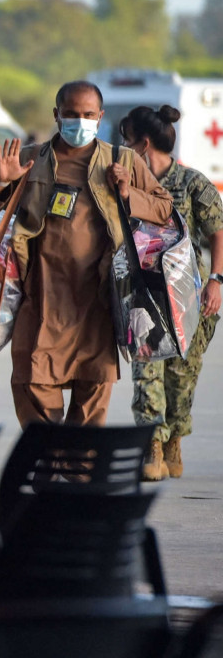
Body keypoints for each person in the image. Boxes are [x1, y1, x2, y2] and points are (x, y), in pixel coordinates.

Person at [0, 81, 173, 427]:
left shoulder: (122, 159)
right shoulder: (30, 158)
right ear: (56, 115)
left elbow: (164, 209)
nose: (80, 122)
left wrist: (127, 193)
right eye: (72, 114)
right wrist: (2, 185)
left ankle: (78, 473)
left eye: (88, 115)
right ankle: (48, 466)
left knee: (92, 393)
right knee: (31, 384)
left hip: (97, 303)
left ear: (100, 116)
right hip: (41, 298)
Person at [120, 105, 223, 480]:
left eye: (128, 141)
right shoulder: (125, 184)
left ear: (144, 145)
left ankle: (174, 435)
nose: (123, 148)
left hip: (189, 301)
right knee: (146, 373)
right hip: (144, 299)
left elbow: (218, 232)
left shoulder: (192, 183)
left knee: (181, 379)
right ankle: (152, 444)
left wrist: (217, 280)